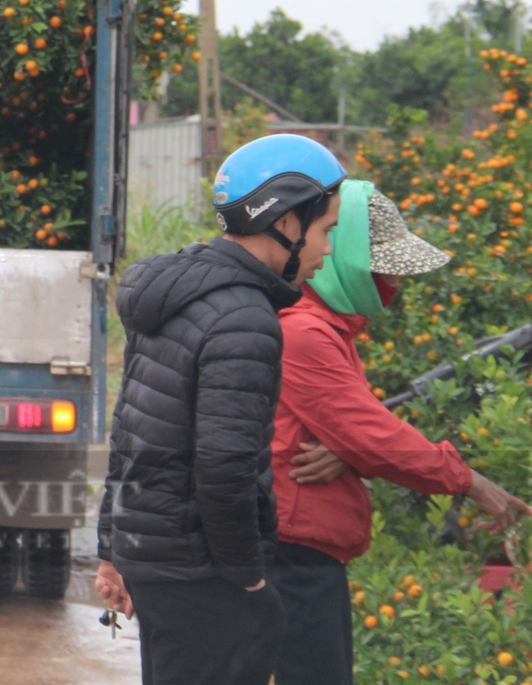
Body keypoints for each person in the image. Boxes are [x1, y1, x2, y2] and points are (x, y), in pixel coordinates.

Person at [95, 133, 346, 685]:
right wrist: (249, 581)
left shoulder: (178, 296)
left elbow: (128, 432)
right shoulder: (244, 318)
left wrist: (112, 548)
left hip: (156, 559)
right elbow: (226, 465)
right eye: (326, 229)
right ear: (285, 223)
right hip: (201, 571)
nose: (327, 249)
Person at [269, 182, 532, 685]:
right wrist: (468, 479)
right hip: (294, 555)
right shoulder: (304, 332)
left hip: (307, 549)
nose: (391, 280)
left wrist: (349, 451)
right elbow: (372, 433)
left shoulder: (325, 327)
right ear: (336, 250)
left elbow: (353, 429)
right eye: (382, 264)